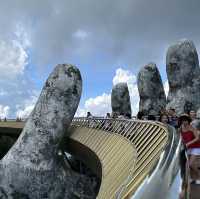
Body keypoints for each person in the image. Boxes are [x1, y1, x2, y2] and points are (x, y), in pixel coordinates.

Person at [179, 114, 200, 184]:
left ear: (188, 121)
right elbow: (181, 137)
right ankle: (192, 178)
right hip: (187, 148)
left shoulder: (192, 128)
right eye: (183, 120)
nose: (184, 122)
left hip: (196, 147)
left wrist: (188, 143)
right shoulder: (180, 128)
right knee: (188, 165)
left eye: (185, 120)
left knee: (191, 164)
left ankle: (198, 177)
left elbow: (197, 138)